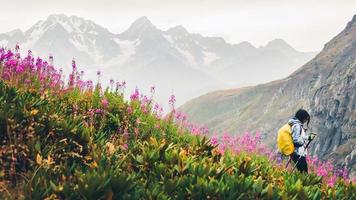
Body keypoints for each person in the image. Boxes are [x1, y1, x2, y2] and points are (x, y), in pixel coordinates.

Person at [288, 109, 312, 173]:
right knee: (303, 173)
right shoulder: (297, 126)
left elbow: (297, 136)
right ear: (302, 117)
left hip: (295, 153)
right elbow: (296, 140)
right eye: (306, 119)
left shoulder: (294, 124)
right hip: (298, 153)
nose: (306, 121)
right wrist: (303, 142)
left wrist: (307, 137)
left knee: (302, 172)